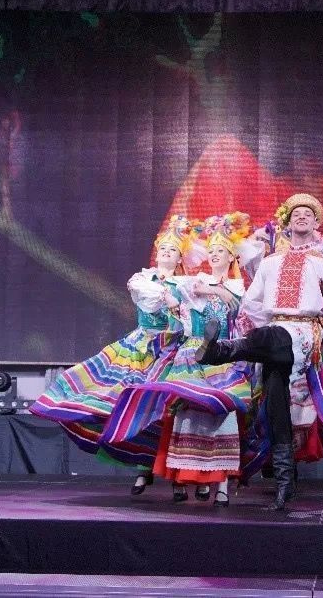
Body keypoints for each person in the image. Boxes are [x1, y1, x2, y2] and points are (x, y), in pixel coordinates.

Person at [196, 193, 323, 510]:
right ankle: (285, 486)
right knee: (275, 407)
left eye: (308, 214)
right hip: (272, 339)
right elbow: (252, 303)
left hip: (303, 333)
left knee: (276, 337)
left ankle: (220, 351)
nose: (302, 217)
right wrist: (260, 330)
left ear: (316, 223)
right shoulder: (270, 263)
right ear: (287, 222)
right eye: (296, 213)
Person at [28, 215, 193, 495]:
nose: (166, 253)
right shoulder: (143, 279)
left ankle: (177, 477)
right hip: (141, 347)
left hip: (171, 349)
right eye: (163, 248)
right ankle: (142, 468)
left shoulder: (186, 285)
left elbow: (187, 318)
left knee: (169, 411)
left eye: (172, 250)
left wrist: (179, 302)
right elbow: (148, 300)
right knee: (133, 404)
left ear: (180, 258)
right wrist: (169, 298)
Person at [103, 213, 256, 506]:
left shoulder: (239, 289)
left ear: (231, 257)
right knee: (185, 415)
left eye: (220, 251)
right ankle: (183, 477)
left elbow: (242, 316)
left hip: (224, 355)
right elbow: (188, 299)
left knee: (223, 414)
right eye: (211, 251)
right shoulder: (195, 282)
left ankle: (221, 484)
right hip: (191, 353)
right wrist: (213, 290)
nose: (214, 255)